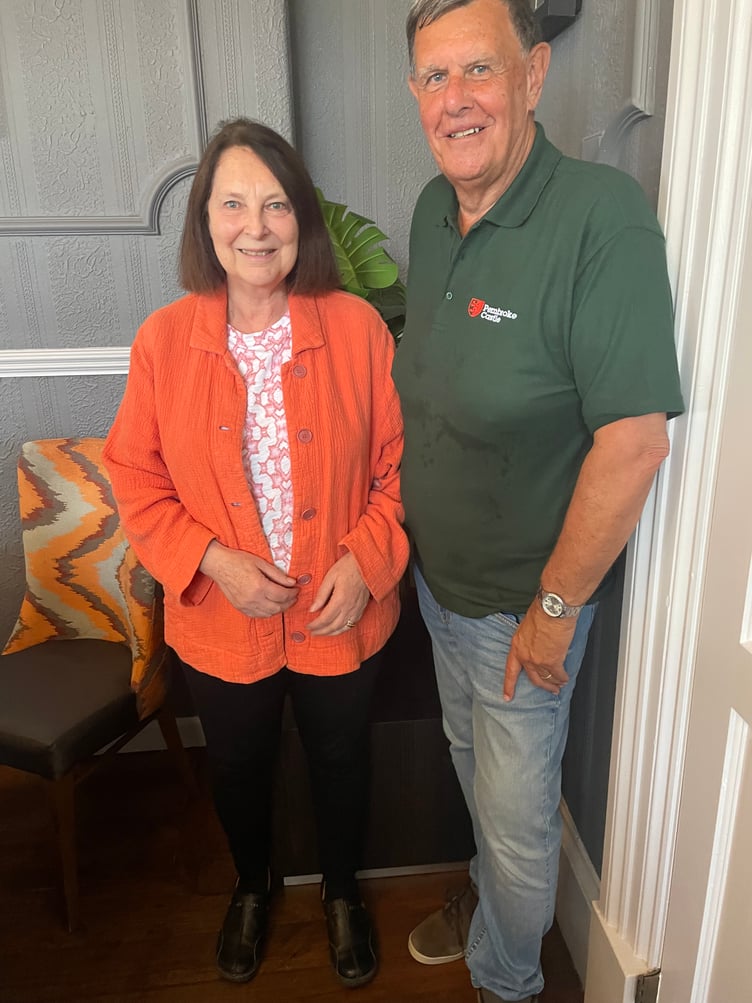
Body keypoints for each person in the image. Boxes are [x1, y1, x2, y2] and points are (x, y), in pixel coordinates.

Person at [392, 2, 684, 1002]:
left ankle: (505, 982)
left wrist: (554, 610)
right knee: (471, 771)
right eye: (434, 78)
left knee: (518, 832)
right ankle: (486, 907)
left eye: (478, 70)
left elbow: (633, 440)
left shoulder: (599, 216)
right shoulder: (436, 209)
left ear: (533, 75)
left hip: (522, 615)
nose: (455, 99)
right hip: (439, 586)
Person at [103, 118, 408, 990]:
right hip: (220, 621)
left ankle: (343, 893)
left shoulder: (355, 329)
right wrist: (210, 559)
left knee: (343, 759)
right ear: (206, 222)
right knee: (236, 766)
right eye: (233, 203)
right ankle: (251, 885)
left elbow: (401, 464)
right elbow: (134, 471)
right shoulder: (164, 341)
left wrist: (366, 561)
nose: (257, 225)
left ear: (301, 220)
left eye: (275, 204)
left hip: (339, 610)